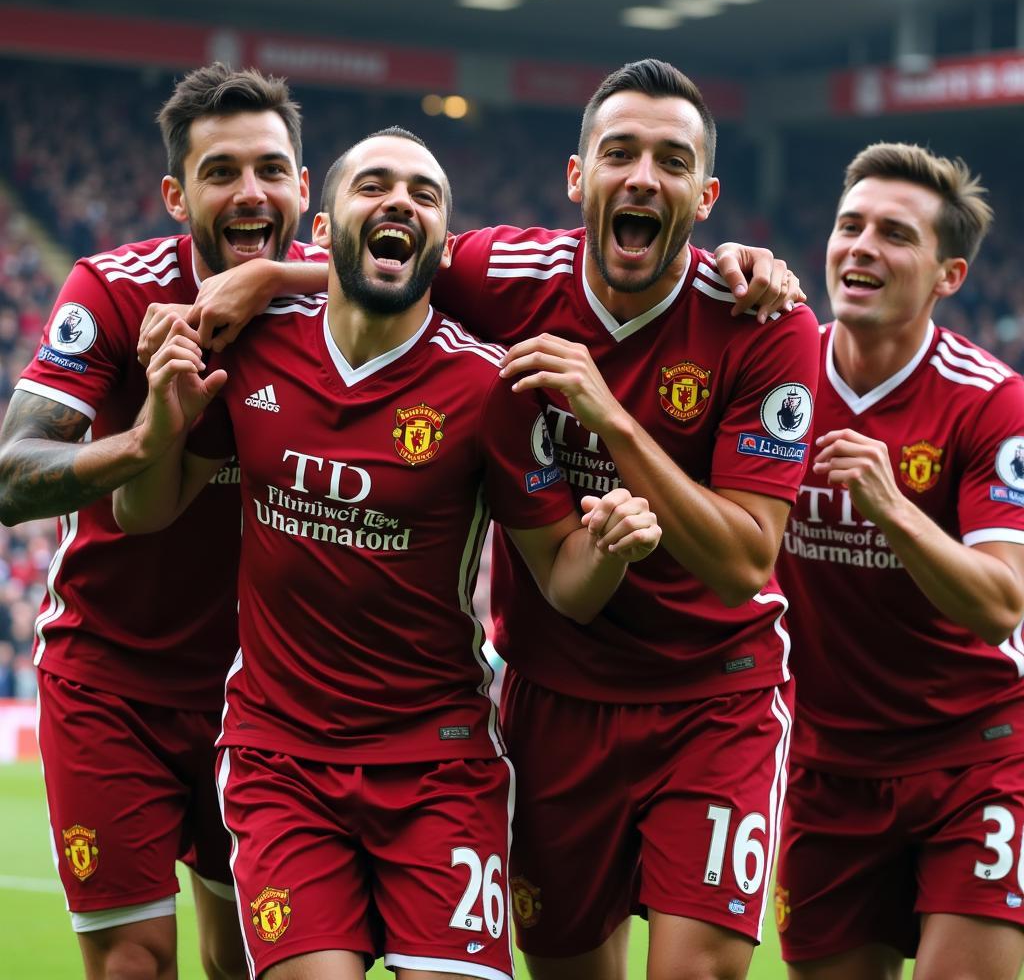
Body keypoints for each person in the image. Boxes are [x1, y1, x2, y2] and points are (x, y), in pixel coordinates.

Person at [139, 57, 819, 980]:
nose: (643, 178)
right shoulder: (497, 272)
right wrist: (261, 282)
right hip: (548, 693)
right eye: (619, 152)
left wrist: (610, 420)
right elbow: (377, 255)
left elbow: (747, 562)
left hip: (712, 691)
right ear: (578, 178)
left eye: (672, 160)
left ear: (706, 196)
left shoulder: (760, 319)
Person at [113, 127, 662, 980]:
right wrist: (158, 419)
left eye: (426, 194)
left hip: (438, 761)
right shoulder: (250, 346)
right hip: (279, 759)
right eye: (373, 185)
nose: (401, 201)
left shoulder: (491, 390)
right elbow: (141, 512)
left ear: (439, 247)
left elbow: (568, 584)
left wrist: (611, 547)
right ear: (323, 228)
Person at [0, 63, 321, 980]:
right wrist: (144, 444)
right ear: (178, 195)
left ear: (304, 186)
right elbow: (13, 473)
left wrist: (736, 264)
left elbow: (475, 263)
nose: (249, 191)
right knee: (133, 965)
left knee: (245, 960)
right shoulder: (112, 288)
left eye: (270, 168)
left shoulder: (346, 301)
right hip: (114, 681)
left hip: (266, 697)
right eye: (221, 172)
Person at [774, 143, 1024, 980]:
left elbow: (999, 604)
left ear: (949, 275)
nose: (862, 248)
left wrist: (892, 508)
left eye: (895, 234)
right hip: (826, 765)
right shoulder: (774, 373)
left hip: (978, 750)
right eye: (850, 226)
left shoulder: (991, 400)